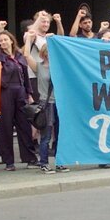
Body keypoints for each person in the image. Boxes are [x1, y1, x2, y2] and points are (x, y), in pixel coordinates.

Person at [0, 20, 38, 171]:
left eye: (6, 39)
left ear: (11, 41)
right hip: (5, 92)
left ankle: (30, 158)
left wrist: (29, 94)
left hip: (20, 92)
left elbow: (25, 76)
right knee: (6, 127)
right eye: (1, 40)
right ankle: (9, 161)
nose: (3, 42)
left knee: (24, 125)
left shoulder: (19, 56)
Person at [23, 31, 69, 174]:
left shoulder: (60, 67)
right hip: (47, 103)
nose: (50, 54)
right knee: (46, 135)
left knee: (59, 135)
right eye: (47, 51)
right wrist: (29, 40)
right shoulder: (39, 67)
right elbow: (26, 56)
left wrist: (56, 38)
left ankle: (59, 162)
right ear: (43, 53)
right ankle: (44, 162)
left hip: (59, 103)